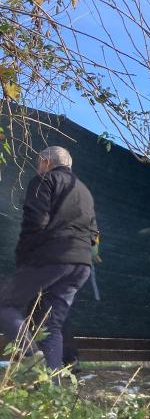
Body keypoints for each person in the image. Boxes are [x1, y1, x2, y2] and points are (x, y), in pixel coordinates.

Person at [0, 146, 97, 371]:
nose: (38, 167)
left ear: (46, 162)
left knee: (5, 305)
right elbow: (93, 233)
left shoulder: (44, 180)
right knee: (51, 325)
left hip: (52, 257)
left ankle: (34, 360)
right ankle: (50, 387)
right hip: (81, 264)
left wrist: (23, 259)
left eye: (38, 162)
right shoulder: (84, 190)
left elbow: (35, 222)